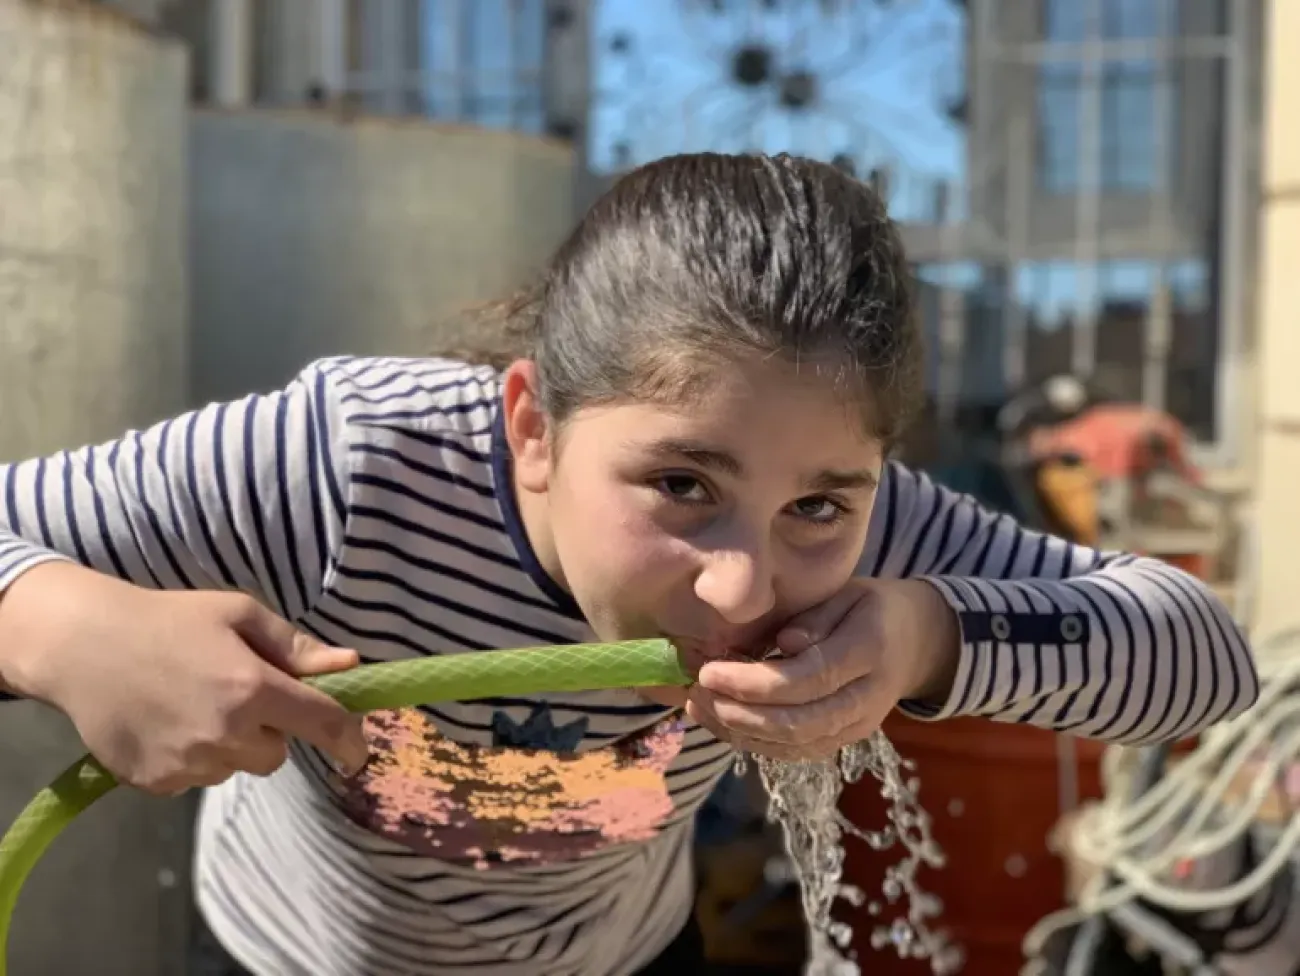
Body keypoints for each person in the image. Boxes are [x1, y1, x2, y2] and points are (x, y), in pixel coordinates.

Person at [0, 153, 1258, 976]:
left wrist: (924, 636)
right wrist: (60, 629)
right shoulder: (344, 468)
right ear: (533, 427)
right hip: (289, 952)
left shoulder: (864, 544)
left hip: (625, 954)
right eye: (680, 486)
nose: (743, 586)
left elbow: (1201, 657)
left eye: (815, 503)